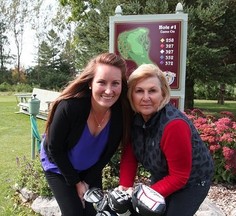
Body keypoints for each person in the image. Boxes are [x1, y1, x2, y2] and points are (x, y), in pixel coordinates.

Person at [40, 53, 132, 216]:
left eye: (115, 83)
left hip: (90, 169)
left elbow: (106, 155)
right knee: (74, 213)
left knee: (94, 212)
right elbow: (55, 149)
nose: (109, 90)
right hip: (59, 166)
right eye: (102, 82)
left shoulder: (121, 114)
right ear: (90, 83)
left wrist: (87, 181)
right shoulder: (69, 107)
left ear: (121, 86)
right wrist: (76, 182)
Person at [118, 64, 214, 216]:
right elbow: (130, 157)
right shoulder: (134, 119)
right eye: (139, 91)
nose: (145, 97)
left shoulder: (174, 125)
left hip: (191, 182)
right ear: (131, 95)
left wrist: (143, 196)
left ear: (163, 93)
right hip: (163, 175)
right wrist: (125, 188)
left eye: (152, 91)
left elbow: (179, 177)